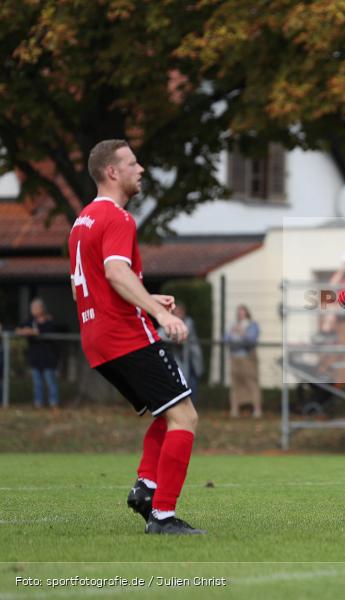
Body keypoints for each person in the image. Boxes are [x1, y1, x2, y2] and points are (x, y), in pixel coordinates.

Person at [69, 139, 204, 535]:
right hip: (126, 334)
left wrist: (146, 296)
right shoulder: (118, 218)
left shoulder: (83, 220)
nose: (141, 169)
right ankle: (162, 516)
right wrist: (158, 311)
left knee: (169, 412)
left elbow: (102, 278)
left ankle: (146, 489)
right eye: (132, 163)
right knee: (185, 416)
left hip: (97, 339)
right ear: (112, 172)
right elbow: (115, 271)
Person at [15, 298, 64, 410]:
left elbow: (41, 332)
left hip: (48, 358)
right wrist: (27, 331)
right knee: (37, 383)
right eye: (32, 308)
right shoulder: (31, 321)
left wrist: (31, 332)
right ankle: (39, 403)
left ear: (42, 309)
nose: (34, 310)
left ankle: (54, 403)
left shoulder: (49, 321)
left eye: (36, 308)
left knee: (50, 381)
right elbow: (18, 329)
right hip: (36, 358)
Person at [159, 304, 204, 397]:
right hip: (180, 362)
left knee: (191, 387)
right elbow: (159, 334)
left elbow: (180, 336)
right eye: (177, 313)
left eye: (181, 312)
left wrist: (170, 334)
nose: (179, 315)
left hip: (192, 362)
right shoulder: (170, 324)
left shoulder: (188, 322)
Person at [226, 304, 261, 418]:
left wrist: (242, 332)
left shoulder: (252, 325)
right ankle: (234, 409)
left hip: (247, 359)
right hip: (234, 358)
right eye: (239, 313)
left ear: (247, 313)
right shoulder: (233, 325)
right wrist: (232, 332)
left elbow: (251, 341)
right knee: (235, 385)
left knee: (252, 384)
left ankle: (257, 409)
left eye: (243, 312)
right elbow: (226, 339)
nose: (241, 315)